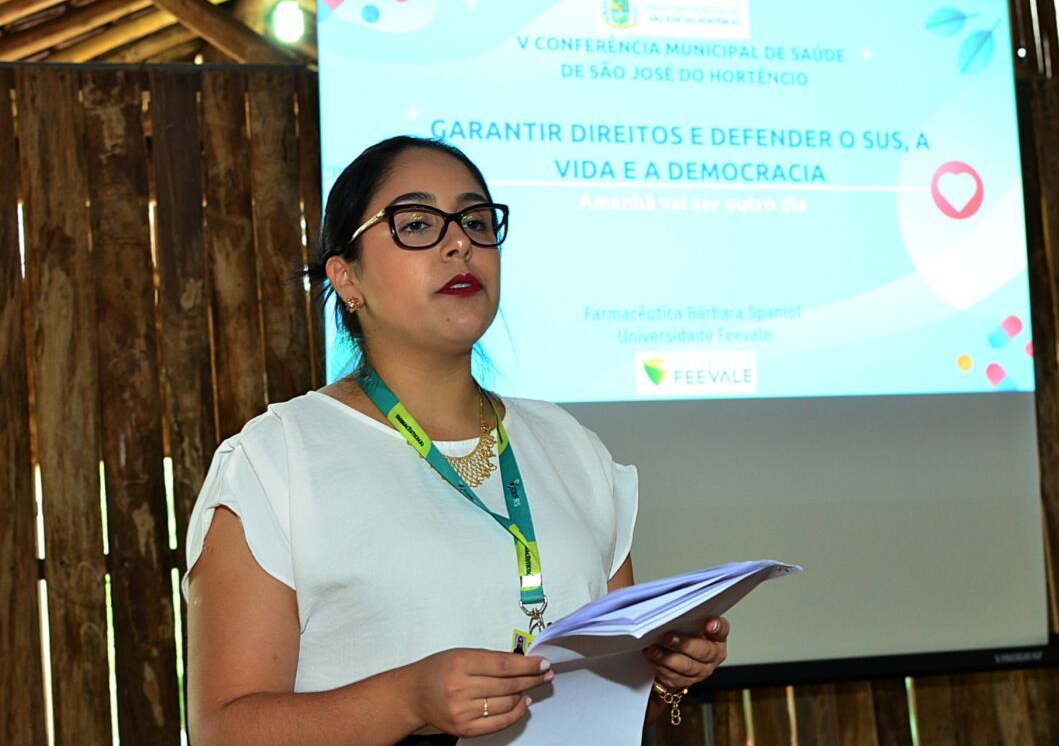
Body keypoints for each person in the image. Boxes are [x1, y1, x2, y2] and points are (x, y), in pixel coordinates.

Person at [183, 136, 731, 745]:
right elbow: (221, 730)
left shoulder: (571, 448)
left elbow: (604, 706)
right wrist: (408, 698)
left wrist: (662, 677)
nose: (460, 243)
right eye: (417, 223)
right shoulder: (276, 459)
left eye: (476, 221)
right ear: (346, 276)